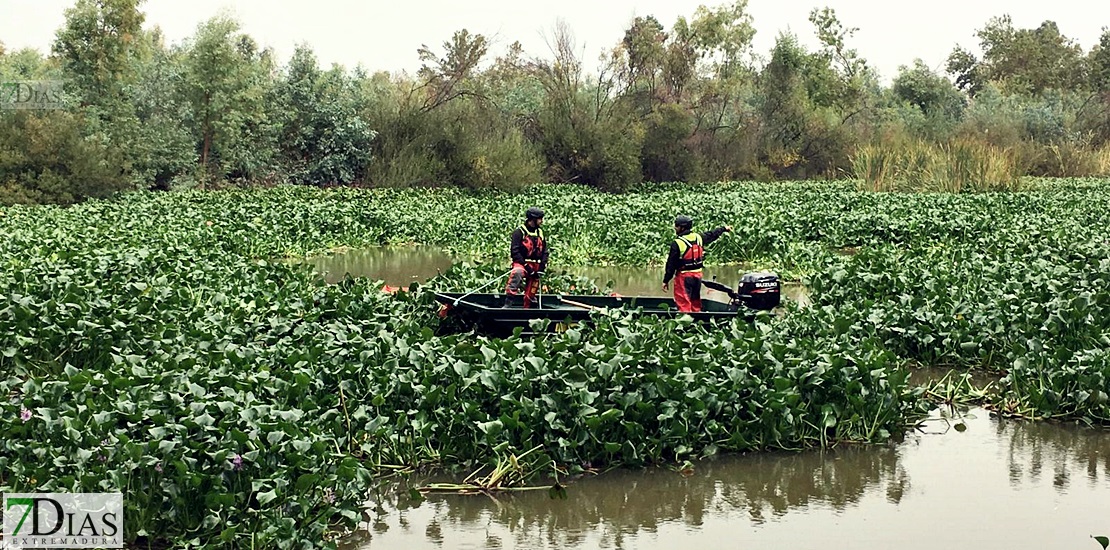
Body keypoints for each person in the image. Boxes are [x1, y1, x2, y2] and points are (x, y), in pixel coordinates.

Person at [662, 215, 732, 312]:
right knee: (695, 301)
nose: (675, 228)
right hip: (697, 276)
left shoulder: (677, 243)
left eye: (677, 226)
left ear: (682, 228)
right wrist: (724, 229)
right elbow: (711, 234)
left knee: (683, 302)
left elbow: (671, 264)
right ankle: (697, 319)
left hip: (684, 276)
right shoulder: (698, 237)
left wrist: (666, 280)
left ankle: (685, 323)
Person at [504, 207, 549, 308]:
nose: (541, 221)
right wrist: (526, 266)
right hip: (521, 263)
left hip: (536, 265)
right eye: (540, 219)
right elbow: (515, 252)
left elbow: (545, 251)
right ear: (532, 219)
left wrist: (542, 266)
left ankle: (529, 305)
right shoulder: (519, 232)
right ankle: (508, 302)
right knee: (517, 272)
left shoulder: (540, 233)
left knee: (533, 285)